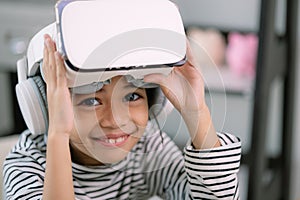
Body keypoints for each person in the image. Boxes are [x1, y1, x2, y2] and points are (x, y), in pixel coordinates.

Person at [3, 14, 241, 200]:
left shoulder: (147, 150)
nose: (116, 121)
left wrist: (196, 112)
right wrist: (58, 134)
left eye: (132, 97)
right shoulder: (27, 166)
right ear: (45, 107)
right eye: (92, 100)